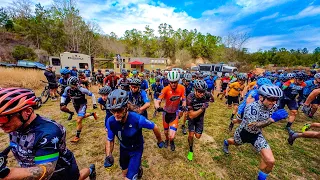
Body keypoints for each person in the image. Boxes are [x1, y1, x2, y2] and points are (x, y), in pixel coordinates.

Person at [0, 88, 96, 180]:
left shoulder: (49, 132)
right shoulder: (14, 125)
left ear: (28, 111)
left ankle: (90, 170)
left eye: (3, 118)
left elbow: (45, 171)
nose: (1, 124)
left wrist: (8, 174)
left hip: (62, 172)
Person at [223, 85, 288, 180]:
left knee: (270, 161)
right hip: (244, 133)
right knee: (235, 143)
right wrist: (272, 119)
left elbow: (278, 110)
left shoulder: (272, 105)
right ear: (261, 97)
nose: (274, 102)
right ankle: (226, 142)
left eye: (276, 99)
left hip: (257, 135)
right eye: (271, 99)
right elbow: (252, 125)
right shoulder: (252, 107)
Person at [104, 89, 165, 180]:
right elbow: (110, 139)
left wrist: (159, 140)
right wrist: (109, 155)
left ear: (126, 107)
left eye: (119, 110)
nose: (116, 114)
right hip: (123, 149)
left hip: (136, 150)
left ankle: (136, 167)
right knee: (124, 173)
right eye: (113, 111)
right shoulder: (111, 121)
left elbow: (154, 126)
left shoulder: (137, 119)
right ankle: (138, 169)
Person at [154, 71, 187, 151]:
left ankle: (171, 141)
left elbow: (184, 100)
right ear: (169, 81)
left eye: (175, 82)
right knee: (166, 132)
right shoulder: (165, 89)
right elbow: (157, 101)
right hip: (166, 113)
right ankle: (167, 140)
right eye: (172, 82)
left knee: (172, 136)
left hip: (174, 114)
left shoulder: (182, 88)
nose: (173, 84)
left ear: (178, 81)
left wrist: (183, 106)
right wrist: (158, 107)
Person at [61, 76, 98, 143]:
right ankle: (92, 114)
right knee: (81, 116)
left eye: (72, 86)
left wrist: (94, 104)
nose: (71, 88)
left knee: (79, 120)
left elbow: (92, 95)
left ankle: (77, 136)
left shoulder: (82, 90)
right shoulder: (67, 89)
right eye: (70, 86)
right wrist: (62, 102)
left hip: (82, 105)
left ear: (76, 84)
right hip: (76, 105)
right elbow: (63, 96)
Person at [186, 80, 212, 161]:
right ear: (195, 90)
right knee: (191, 135)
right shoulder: (190, 97)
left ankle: (193, 133)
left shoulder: (206, 94)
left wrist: (209, 100)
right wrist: (203, 108)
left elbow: (212, 97)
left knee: (197, 136)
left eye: (203, 92)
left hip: (200, 119)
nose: (202, 94)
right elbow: (191, 115)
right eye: (200, 92)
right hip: (192, 118)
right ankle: (190, 150)